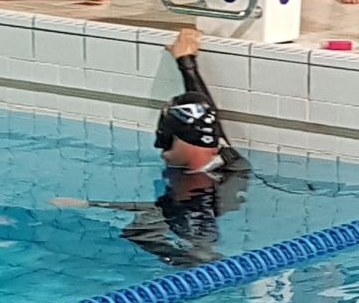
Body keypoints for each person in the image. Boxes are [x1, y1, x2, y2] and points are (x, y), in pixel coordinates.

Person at [51, 28, 249, 267]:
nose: (161, 150)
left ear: (181, 140)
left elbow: (193, 240)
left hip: (184, 256)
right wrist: (186, 62)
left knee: (133, 235)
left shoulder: (194, 197)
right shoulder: (229, 162)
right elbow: (205, 118)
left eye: (165, 140)